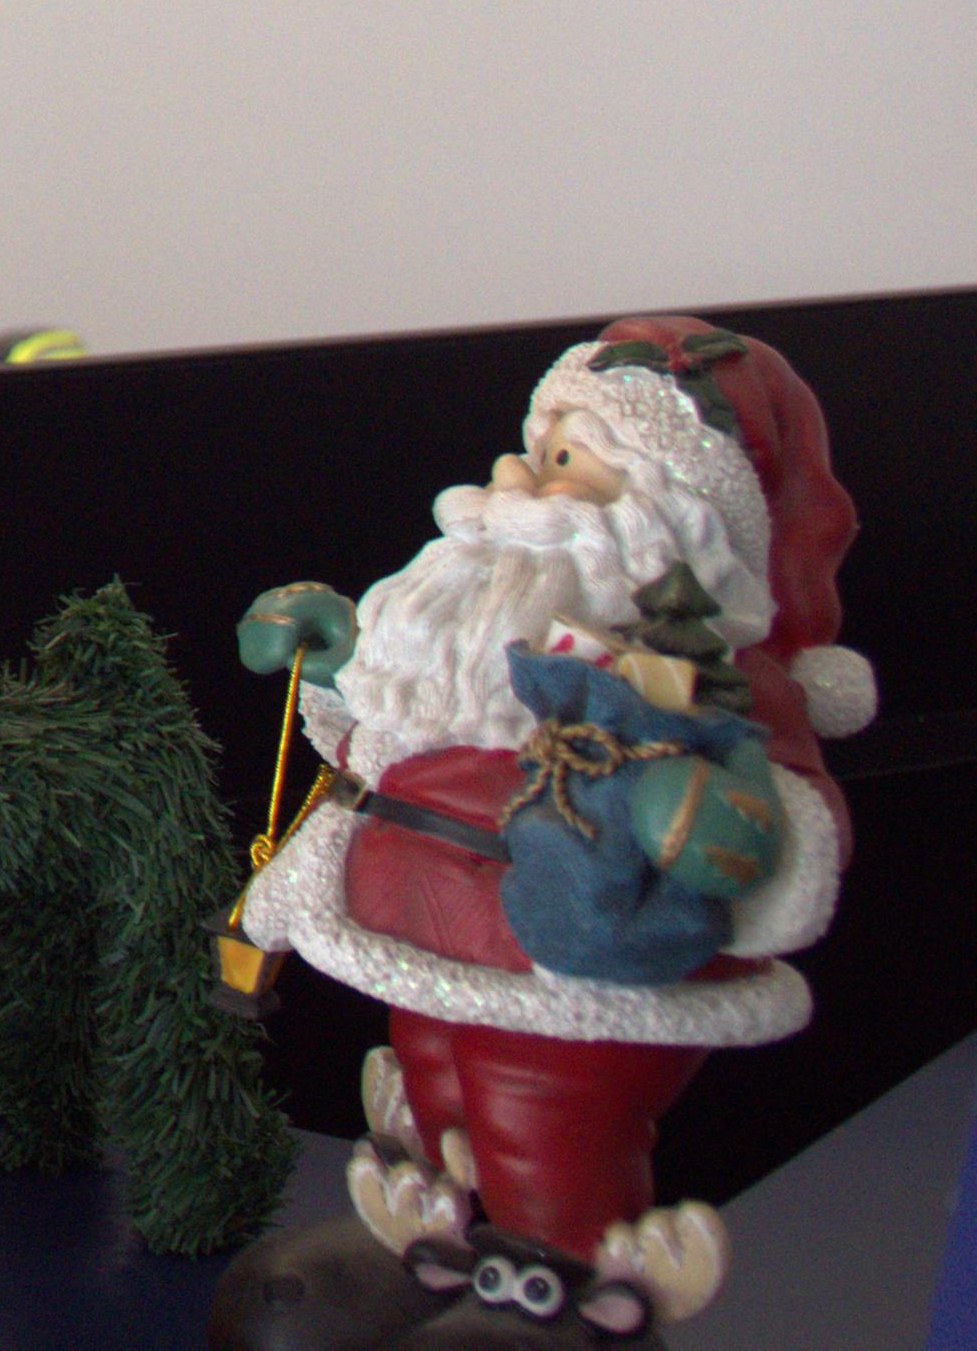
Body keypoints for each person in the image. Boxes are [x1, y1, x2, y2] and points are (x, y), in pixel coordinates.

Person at [217, 317, 863, 1347]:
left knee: (539, 1117)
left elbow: (783, 824)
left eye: (562, 456)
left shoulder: (682, 666)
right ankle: (430, 1251)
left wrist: (706, 820)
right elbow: (400, 711)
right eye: (534, 441)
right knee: (434, 1087)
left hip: (570, 971)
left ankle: (552, 1286)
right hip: (416, 929)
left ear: (666, 511)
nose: (516, 471)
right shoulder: (470, 608)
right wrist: (336, 657)